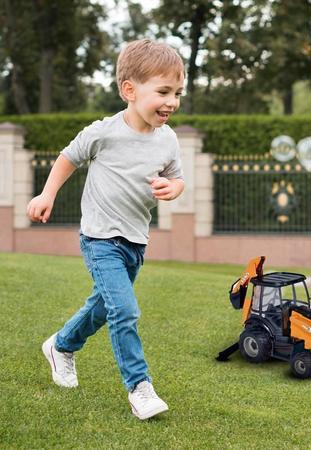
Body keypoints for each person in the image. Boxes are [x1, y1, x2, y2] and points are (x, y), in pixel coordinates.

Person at [26, 39, 185, 420]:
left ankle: (61, 346)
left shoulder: (169, 139)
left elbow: (176, 178)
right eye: (163, 91)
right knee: (125, 311)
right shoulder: (104, 132)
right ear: (130, 90)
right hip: (100, 237)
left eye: (178, 93)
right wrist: (47, 194)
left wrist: (173, 188)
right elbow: (68, 158)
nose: (172, 101)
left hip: (136, 241)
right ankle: (140, 387)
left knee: (103, 306)